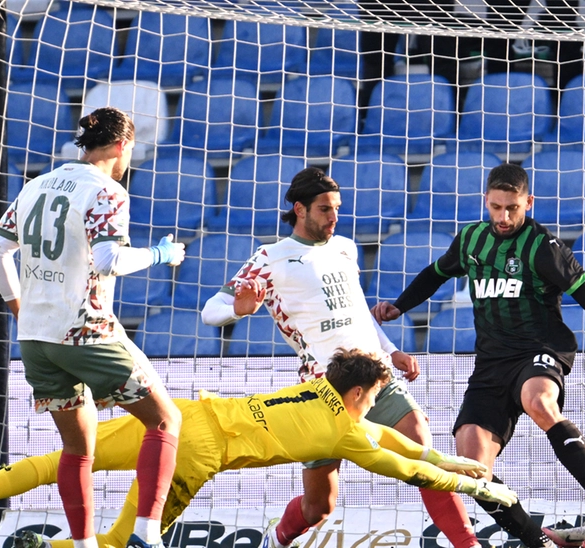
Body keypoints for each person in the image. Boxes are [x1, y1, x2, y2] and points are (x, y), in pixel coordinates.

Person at [0, 349, 519, 548]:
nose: (374, 405)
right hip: (198, 455)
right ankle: (51, 546)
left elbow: (402, 445)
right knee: (121, 540)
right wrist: (481, 484)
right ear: (360, 392)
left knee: (62, 458)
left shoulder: (318, 394)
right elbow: (411, 470)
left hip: (184, 414)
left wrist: (453, 460)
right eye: (374, 395)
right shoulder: (344, 432)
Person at [199, 167, 482, 548]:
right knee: (320, 507)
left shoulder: (346, 248)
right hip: (325, 389)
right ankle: (278, 537)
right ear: (299, 210)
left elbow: (356, 311)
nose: (333, 217)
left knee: (425, 458)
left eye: (336, 208)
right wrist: (240, 308)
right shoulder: (270, 258)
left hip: (376, 375)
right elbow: (209, 312)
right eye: (324, 209)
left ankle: (469, 544)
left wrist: (391, 350)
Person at [371, 163, 585, 548]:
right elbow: (436, 273)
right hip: (491, 364)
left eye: (512, 208)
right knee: (473, 468)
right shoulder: (470, 240)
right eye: (496, 207)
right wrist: (400, 306)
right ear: (486, 201)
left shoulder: (544, 248)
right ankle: (541, 542)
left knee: (538, 400)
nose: (503, 217)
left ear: (528, 203)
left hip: (541, 349)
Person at [0, 107, 188, 548]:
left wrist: (20, 308)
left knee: (78, 449)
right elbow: (110, 260)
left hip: (37, 339)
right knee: (166, 421)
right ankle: (147, 535)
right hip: (85, 331)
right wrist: (161, 254)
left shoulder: (34, 187)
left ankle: (83, 545)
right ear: (121, 146)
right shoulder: (106, 191)